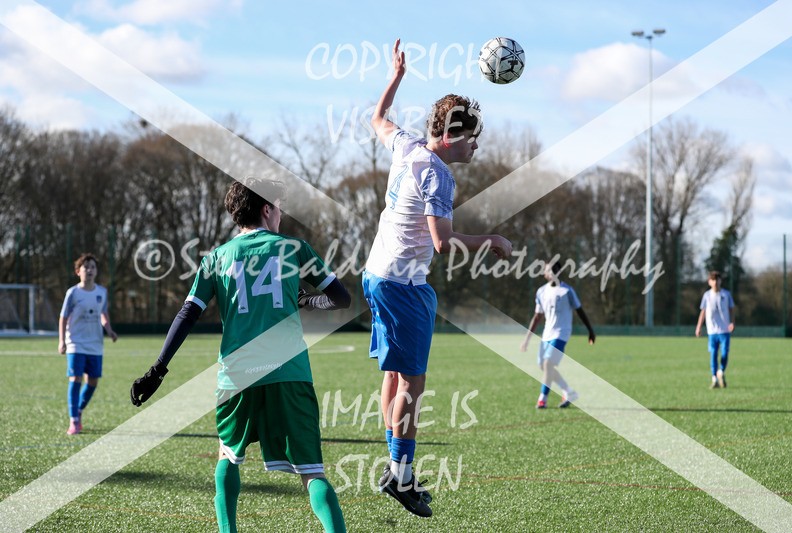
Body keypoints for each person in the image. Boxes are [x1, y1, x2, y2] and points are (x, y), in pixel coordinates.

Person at [130, 179, 350, 533]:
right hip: (289, 373)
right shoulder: (294, 248)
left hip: (237, 375)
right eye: (279, 207)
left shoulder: (216, 258)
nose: (280, 215)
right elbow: (342, 299)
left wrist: (157, 370)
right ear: (267, 209)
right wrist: (308, 300)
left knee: (227, 457)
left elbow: (188, 313)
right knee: (312, 472)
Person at [363, 38, 513, 518]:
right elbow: (443, 241)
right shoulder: (438, 176)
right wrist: (489, 239)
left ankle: (394, 466)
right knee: (413, 382)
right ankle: (402, 477)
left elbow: (377, 118)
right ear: (451, 135)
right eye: (472, 138)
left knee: (393, 374)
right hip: (404, 286)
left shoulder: (407, 146)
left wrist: (396, 77)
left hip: (377, 275)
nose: (475, 145)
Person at [520, 260, 595, 409]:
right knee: (544, 366)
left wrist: (590, 330)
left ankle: (543, 399)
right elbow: (537, 317)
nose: (545, 273)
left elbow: (580, 311)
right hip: (547, 334)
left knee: (548, 364)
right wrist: (527, 339)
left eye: (549, 270)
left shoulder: (567, 291)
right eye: (546, 270)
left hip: (561, 333)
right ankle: (569, 392)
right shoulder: (541, 291)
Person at [58, 252, 118, 435]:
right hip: (75, 342)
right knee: (75, 378)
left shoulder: (102, 292)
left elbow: (103, 314)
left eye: (93, 267)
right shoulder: (73, 293)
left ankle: (79, 410)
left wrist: (109, 330)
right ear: (78, 271)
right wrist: (62, 341)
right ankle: (73, 421)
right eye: (86, 267)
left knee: (92, 381)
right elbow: (63, 317)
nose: (90, 270)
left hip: (95, 344)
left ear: (96, 271)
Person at [695, 270, 735, 388]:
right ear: (709, 282)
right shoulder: (707, 295)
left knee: (725, 353)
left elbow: (732, 309)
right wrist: (698, 327)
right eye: (713, 279)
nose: (715, 282)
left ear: (720, 281)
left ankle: (721, 372)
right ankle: (714, 378)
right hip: (712, 331)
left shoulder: (726, 294)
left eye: (717, 279)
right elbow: (703, 311)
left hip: (724, 330)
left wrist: (732, 322)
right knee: (713, 353)